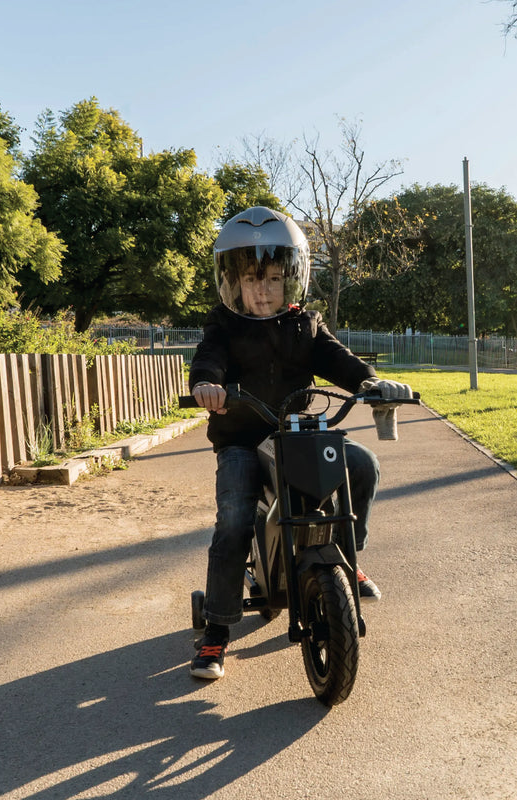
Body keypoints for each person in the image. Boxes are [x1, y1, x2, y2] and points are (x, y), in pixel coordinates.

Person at [189, 206, 411, 680]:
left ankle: (349, 563)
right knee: (233, 522)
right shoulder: (224, 327)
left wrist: (371, 383)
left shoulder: (304, 324)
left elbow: (340, 360)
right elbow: (208, 359)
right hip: (242, 441)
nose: (262, 289)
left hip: (294, 436)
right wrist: (207, 385)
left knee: (363, 465)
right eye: (252, 278)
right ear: (233, 282)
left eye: (272, 277)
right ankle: (216, 634)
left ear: (291, 278)